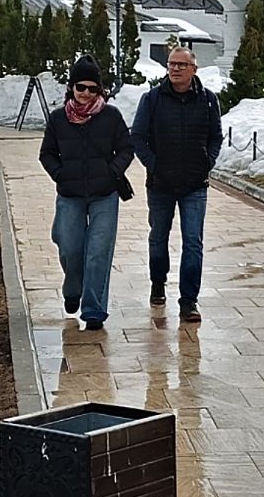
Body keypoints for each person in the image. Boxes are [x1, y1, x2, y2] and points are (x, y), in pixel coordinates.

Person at [39, 54, 134, 330]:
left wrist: (112, 171)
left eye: (93, 88)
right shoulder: (58, 119)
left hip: (104, 194)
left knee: (98, 252)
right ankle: (72, 288)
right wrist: (61, 174)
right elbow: (47, 154)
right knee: (70, 248)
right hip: (70, 195)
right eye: (81, 87)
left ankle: (94, 310)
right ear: (72, 87)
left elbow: (126, 148)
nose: (86, 93)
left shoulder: (111, 116)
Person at [131, 46, 223, 323]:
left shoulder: (208, 100)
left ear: (194, 69)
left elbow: (215, 136)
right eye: (172, 64)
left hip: (195, 184)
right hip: (160, 184)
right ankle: (158, 282)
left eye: (182, 65)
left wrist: (207, 161)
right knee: (159, 237)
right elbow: (137, 137)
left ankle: (189, 301)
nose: (175, 69)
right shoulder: (152, 99)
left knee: (193, 242)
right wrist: (154, 164)